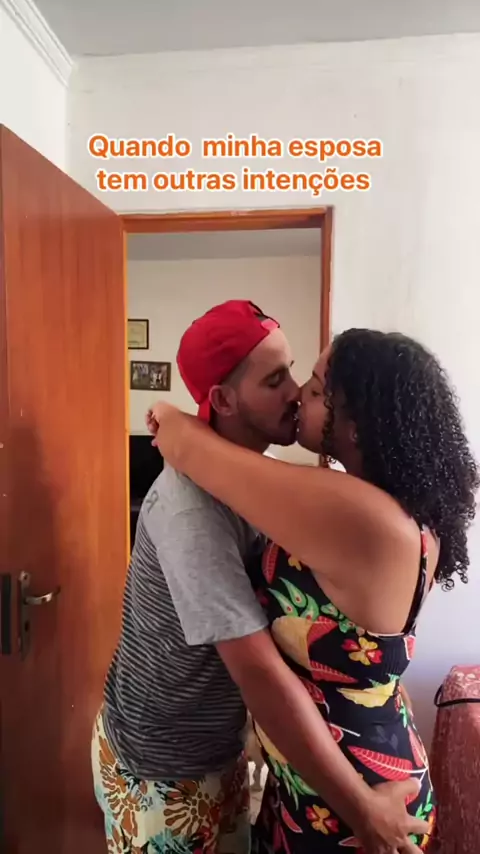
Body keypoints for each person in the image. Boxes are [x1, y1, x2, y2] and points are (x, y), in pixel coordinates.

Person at [92, 300, 429, 854]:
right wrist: (360, 807)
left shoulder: (262, 485)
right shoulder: (190, 509)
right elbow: (259, 674)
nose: (296, 392)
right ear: (224, 400)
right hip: (164, 766)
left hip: (222, 749)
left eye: (294, 372)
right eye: (275, 380)